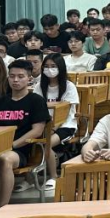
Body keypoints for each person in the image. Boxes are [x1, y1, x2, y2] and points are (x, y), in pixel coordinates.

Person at [0, 59, 50, 207]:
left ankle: (2, 207)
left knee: (5, 159)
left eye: (20, 76)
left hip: (21, 150)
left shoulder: (36, 101)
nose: (15, 80)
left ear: (29, 79)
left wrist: (12, 145)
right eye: (12, 76)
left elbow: (37, 130)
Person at [37, 52, 80, 191]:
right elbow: (36, 108)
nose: (49, 69)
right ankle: (29, 179)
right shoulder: (39, 86)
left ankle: (54, 176)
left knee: (46, 144)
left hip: (66, 125)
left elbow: (66, 111)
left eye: (53, 66)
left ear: (60, 67)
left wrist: (54, 128)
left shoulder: (69, 86)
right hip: (44, 125)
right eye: (46, 66)